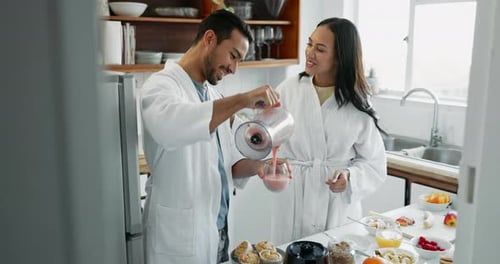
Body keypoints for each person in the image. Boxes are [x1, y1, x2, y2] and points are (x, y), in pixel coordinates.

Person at [139, 10, 281, 264]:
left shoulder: (213, 98)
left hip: (218, 232)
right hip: (179, 236)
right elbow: (173, 126)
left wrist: (263, 166)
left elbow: (232, 164)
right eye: (233, 56)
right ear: (210, 38)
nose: (234, 69)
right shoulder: (160, 86)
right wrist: (244, 99)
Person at [270, 17, 388, 245]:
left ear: (340, 57)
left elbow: (374, 163)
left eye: (320, 49)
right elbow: (267, 139)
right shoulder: (289, 89)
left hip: (336, 205)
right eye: (309, 43)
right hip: (294, 197)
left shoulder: (358, 103)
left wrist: (350, 177)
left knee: (333, 254)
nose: (310, 53)